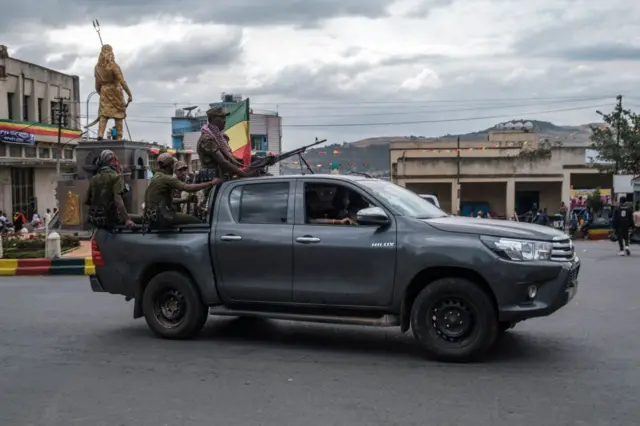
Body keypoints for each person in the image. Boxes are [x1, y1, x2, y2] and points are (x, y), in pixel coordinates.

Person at [144, 153, 219, 229]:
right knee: (198, 223)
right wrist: (211, 183)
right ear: (171, 165)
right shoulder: (167, 178)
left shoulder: (156, 176)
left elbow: (168, 200)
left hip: (154, 216)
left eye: (184, 170)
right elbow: (188, 188)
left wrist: (186, 200)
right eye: (180, 170)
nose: (183, 172)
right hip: (163, 216)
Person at [85, 149, 135, 229]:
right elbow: (118, 200)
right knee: (139, 218)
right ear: (113, 162)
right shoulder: (116, 177)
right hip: (110, 219)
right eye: (117, 161)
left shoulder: (94, 178)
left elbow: (88, 200)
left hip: (94, 219)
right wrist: (127, 220)